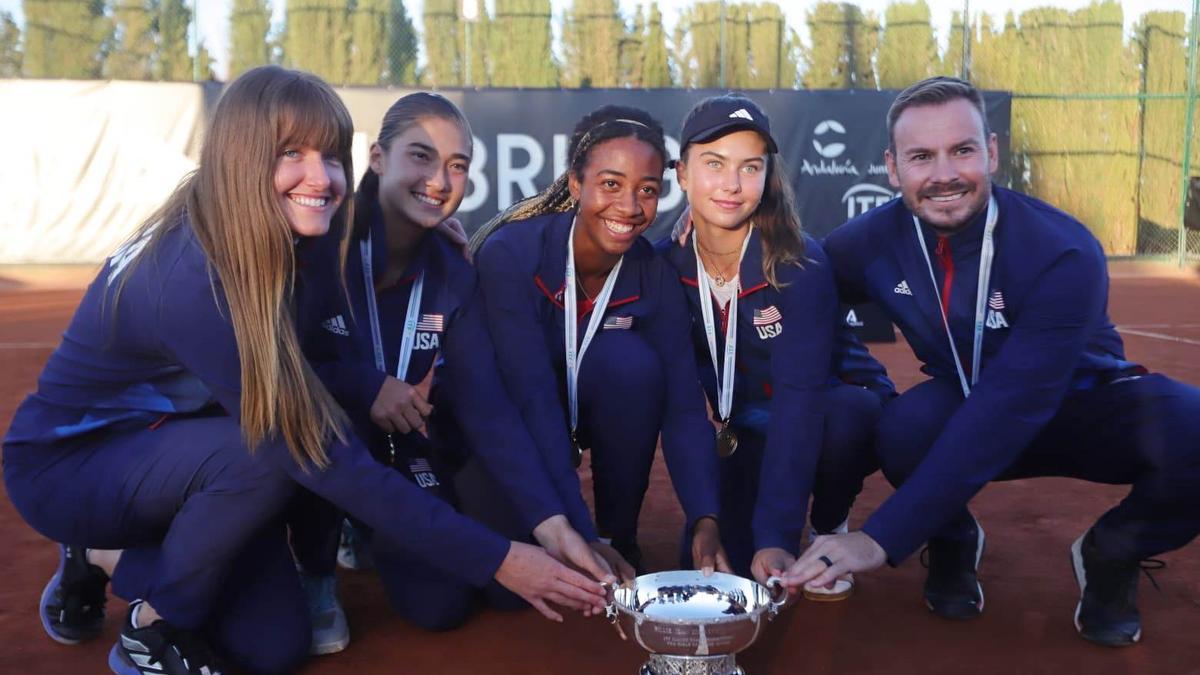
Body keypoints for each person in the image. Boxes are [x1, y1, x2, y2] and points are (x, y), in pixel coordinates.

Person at [3, 66, 605, 675]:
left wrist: (417, 225)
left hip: (191, 461)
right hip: (77, 467)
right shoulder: (197, 281)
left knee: (274, 645)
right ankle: (147, 621)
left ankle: (119, 557)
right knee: (271, 450)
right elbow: (316, 451)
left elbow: (355, 228)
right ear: (241, 157)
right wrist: (499, 558)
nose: (319, 177)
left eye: (330, 156)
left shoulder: (273, 225)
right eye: (291, 153)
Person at [765, 76, 1200, 647]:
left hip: (1084, 405)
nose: (944, 174)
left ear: (991, 153)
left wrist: (882, 537)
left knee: (1194, 428)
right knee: (900, 429)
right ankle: (951, 537)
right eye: (922, 156)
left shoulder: (1063, 250)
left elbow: (1013, 405)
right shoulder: (869, 241)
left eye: (962, 150)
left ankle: (1113, 550)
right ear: (893, 169)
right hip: (962, 400)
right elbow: (795, 292)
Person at [293, 91, 619, 651]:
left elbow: (486, 405)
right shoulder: (320, 245)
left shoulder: (452, 268)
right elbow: (281, 372)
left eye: (457, 165)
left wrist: (554, 524)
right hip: (332, 442)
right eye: (420, 157)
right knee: (437, 607)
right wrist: (367, 386)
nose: (440, 180)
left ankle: (373, 525)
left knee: (506, 591)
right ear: (377, 159)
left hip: (408, 447)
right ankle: (317, 565)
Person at [467, 105, 730, 574]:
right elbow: (529, 396)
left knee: (632, 366)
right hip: (509, 426)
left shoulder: (654, 275)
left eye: (647, 191)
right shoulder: (511, 253)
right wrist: (576, 530)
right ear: (575, 184)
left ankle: (618, 533)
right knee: (489, 597)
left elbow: (684, 407)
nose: (629, 207)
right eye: (610, 184)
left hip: (583, 406)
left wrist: (705, 518)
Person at [658, 94, 894, 599]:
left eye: (750, 166)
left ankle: (829, 523)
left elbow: (800, 400)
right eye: (714, 164)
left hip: (823, 407)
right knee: (716, 563)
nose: (731, 184)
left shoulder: (799, 263)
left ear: (767, 175)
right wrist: (706, 520)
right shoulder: (662, 267)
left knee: (846, 416)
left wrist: (777, 537)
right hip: (743, 426)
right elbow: (678, 406)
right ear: (681, 173)